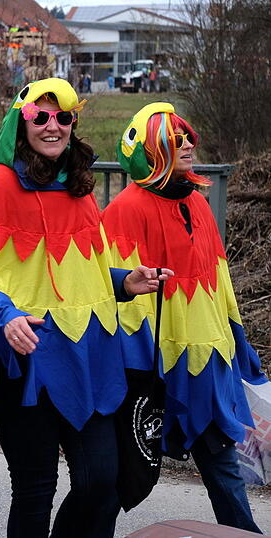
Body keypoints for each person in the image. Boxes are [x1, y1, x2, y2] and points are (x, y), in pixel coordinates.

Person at [0, 79, 170, 537]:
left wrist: (124, 281)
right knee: (35, 488)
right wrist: (6, 315)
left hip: (84, 359)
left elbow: (83, 275)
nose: (53, 126)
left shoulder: (79, 190)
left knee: (101, 480)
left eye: (63, 117)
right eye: (40, 116)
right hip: (22, 360)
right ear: (20, 123)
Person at [103, 103, 266, 532]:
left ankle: (244, 534)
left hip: (205, 360)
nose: (189, 144)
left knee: (222, 465)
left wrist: (237, 340)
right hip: (153, 366)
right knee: (125, 470)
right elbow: (119, 295)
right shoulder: (125, 209)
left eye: (188, 136)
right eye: (176, 139)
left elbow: (219, 279)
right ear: (153, 150)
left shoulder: (197, 201)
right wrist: (136, 368)